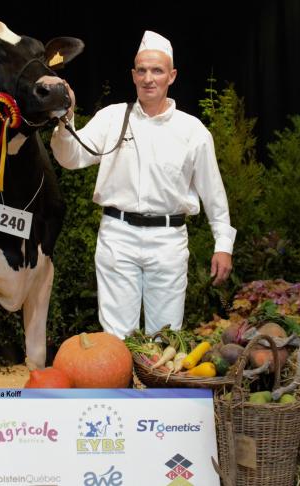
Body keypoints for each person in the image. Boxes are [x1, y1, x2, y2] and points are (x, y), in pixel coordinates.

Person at [50, 30, 236, 339]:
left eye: (157, 71)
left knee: (164, 338)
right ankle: (120, 386)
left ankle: (156, 389)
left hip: (169, 241)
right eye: (142, 70)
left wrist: (223, 246)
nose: (149, 78)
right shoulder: (112, 118)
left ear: (171, 76)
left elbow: (213, 194)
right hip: (117, 236)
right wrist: (65, 119)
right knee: (117, 339)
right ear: (134, 75)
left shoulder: (193, 131)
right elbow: (70, 158)